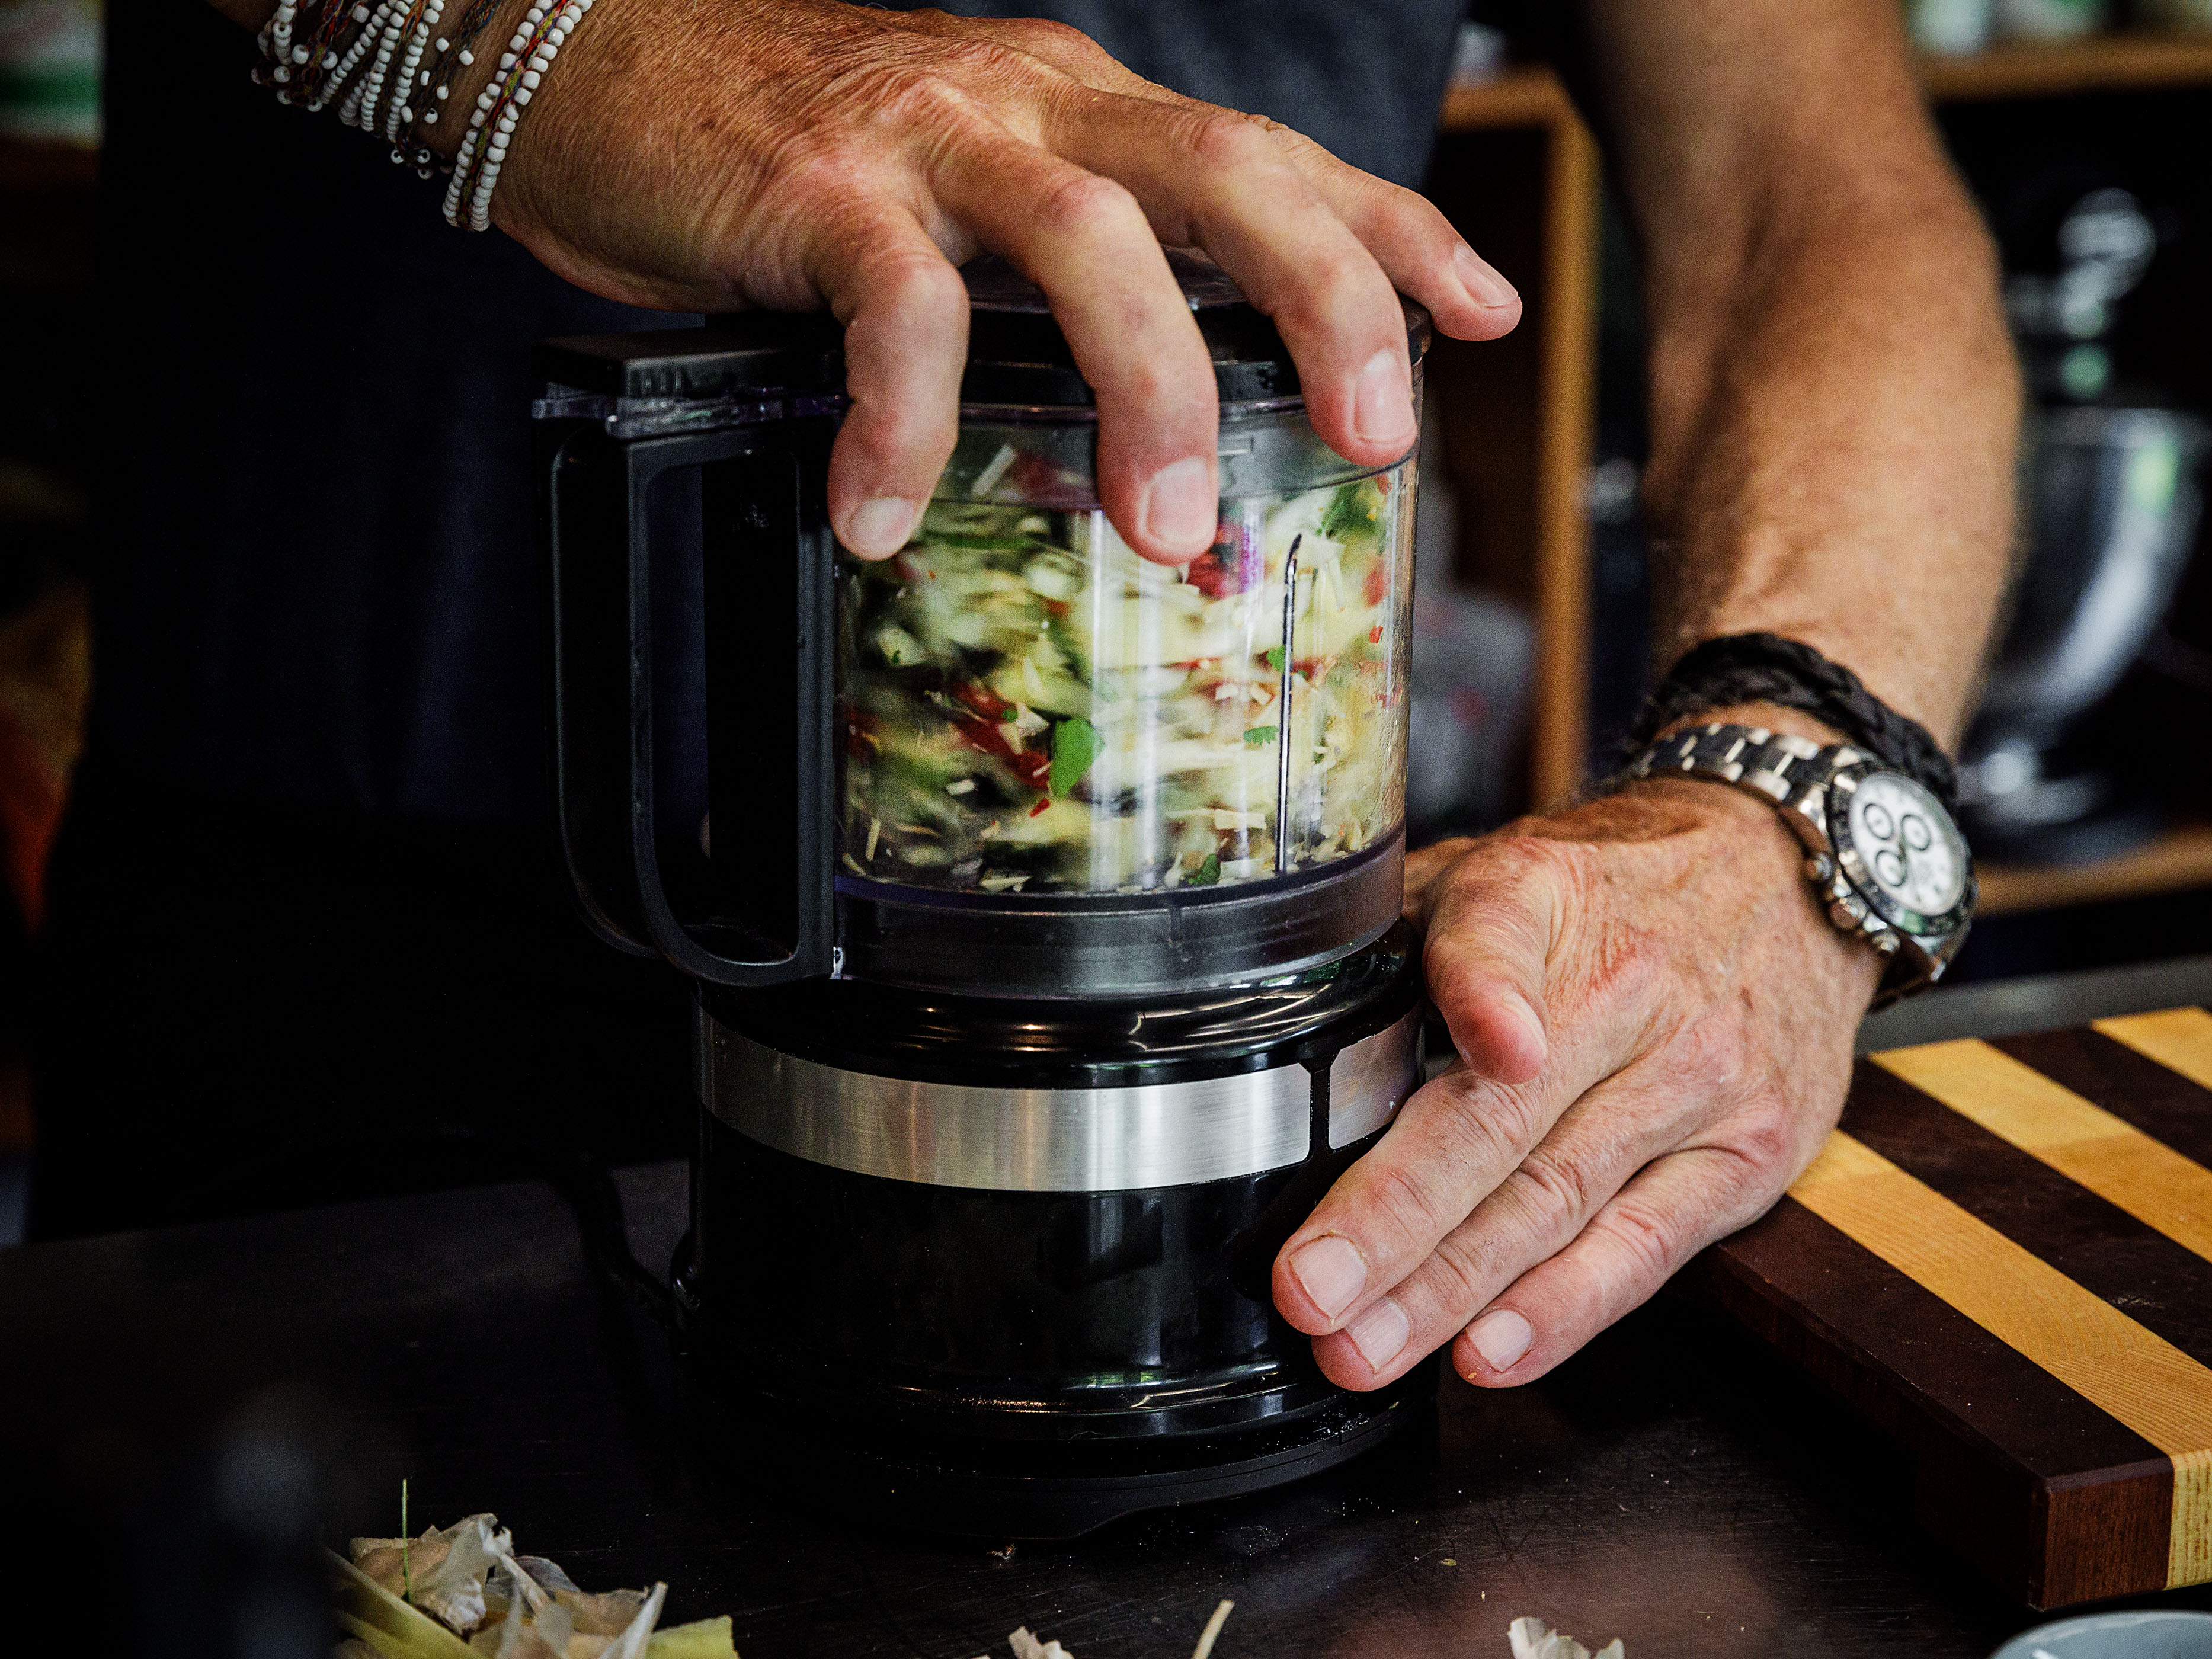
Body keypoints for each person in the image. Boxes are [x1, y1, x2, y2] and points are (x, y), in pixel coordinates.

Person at [32, 0, 2014, 1405]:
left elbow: (1809, 193)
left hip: (1254, 1019)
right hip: (333, 986)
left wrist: (1788, 798)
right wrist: (520, 38)